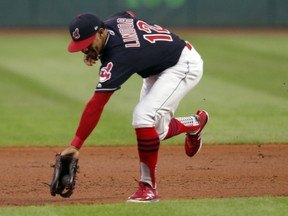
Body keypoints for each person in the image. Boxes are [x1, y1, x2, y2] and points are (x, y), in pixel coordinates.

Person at [60, 10, 209, 203]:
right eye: (82, 47)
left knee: (142, 116)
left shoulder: (121, 55)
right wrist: (95, 50)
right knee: (157, 132)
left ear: (100, 32)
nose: (84, 50)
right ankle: (195, 123)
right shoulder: (112, 22)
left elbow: (97, 103)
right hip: (157, 67)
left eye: (87, 45)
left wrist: (76, 144)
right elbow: (128, 14)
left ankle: (148, 188)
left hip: (182, 64)